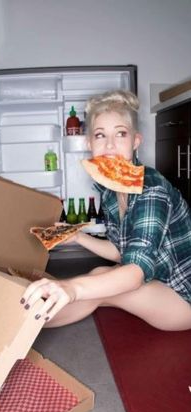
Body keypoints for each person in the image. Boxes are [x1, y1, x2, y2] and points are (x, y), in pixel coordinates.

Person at [20, 90, 191, 331]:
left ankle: (20, 325)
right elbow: (120, 251)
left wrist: (72, 288)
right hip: (159, 281)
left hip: (182, 297)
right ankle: (30, 309)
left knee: (93, 291)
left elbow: (135, 272)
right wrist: (78, 236)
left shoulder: (151, 190)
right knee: (99, 271)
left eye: (120, 133)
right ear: (89, 143)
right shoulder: (110, 188)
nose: (110, 144)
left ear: (135, 141)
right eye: (100, 135)